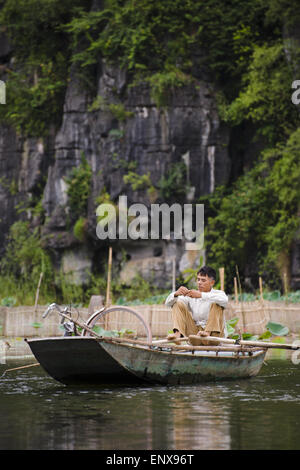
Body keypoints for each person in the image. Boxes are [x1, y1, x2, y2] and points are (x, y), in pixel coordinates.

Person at [165, 266, 228, 345]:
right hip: (196, 336)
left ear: (212, 282)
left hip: (214, 337)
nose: (199, 282)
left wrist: (201, 295)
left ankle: (207, 333)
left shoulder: (218, 294)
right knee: (177, 303)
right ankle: (177, 335)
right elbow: (168, 303)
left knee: (216, 303)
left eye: (203, 280)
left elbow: (225, 301)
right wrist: (176, 293)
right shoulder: (192, 294)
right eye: (198, 279)